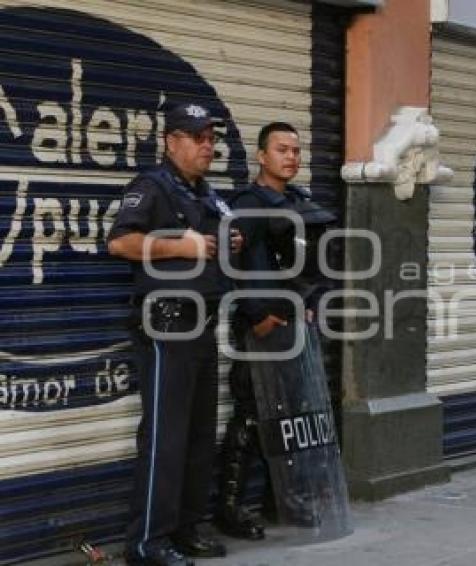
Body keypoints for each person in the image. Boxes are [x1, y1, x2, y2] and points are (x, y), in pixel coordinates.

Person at [108, 102, 240, 566]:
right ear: (171, 141)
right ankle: (147, 543)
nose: (208, 146)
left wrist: (228, 241)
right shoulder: (152, 186)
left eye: (212, 139)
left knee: (200, 435)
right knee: (166, 437)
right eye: (198, 137)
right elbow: (120, 242)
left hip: (202, 325)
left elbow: (214, 243)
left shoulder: (207, 193)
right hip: (166, 326)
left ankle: (186, 527)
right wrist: (178, 245)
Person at [215, 122, 338, 539]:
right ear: (261, 156)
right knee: (251, 416)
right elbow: (230, 268)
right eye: (282, 149)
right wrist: (256, 316)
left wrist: (307, 306)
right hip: (260, 329)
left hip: (295, 325)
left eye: (296, 150)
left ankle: (281, 499)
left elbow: (315, 265)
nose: (291, 157)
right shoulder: (247, 205)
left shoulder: (301, 202)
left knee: (291, 415)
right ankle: (229, 509)